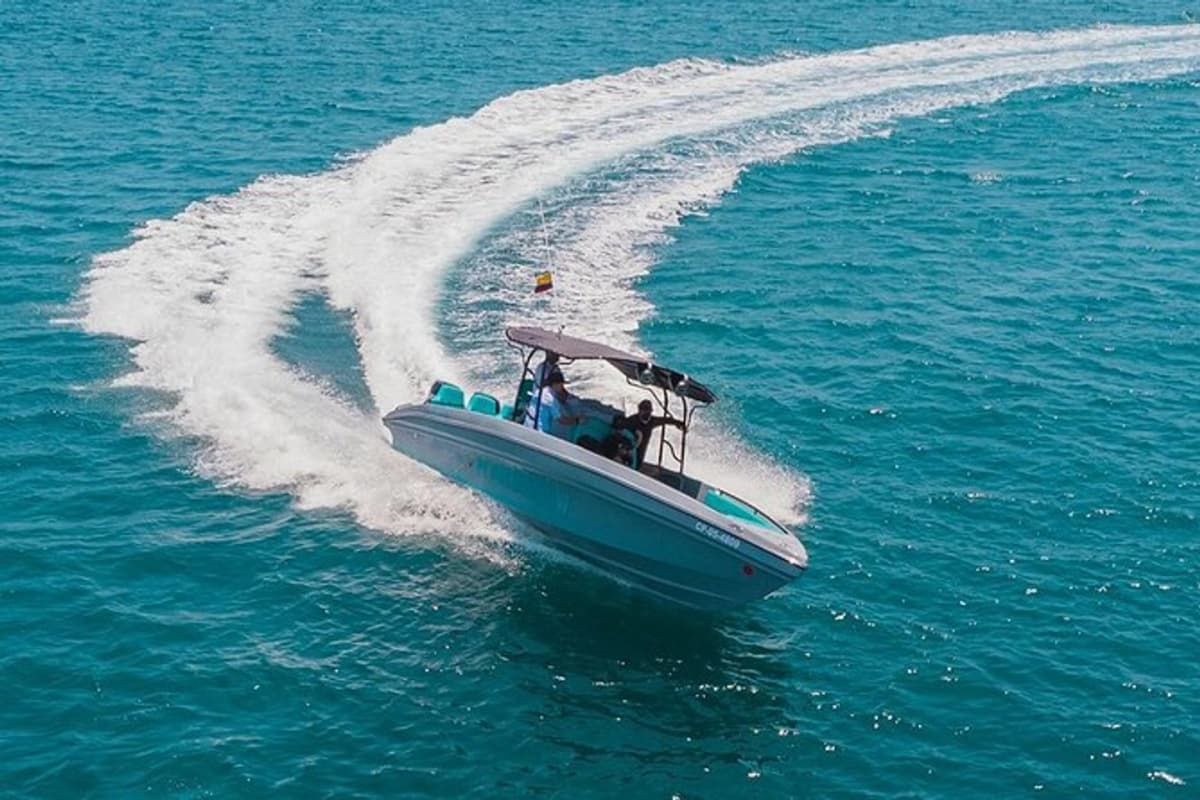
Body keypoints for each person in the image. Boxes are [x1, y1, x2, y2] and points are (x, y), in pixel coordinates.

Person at [615, 399, 684, 467]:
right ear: (639, 410)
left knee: (638, 465)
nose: (647, 413)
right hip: (628, 452)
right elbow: (620, 429)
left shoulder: (652, 421)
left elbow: (665, 420)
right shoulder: (632, 420)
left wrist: (678, 423)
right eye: (644, 410)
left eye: (648, 411)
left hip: (640, 456)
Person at [524, 368, 582, 437]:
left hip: (527, 427)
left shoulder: (539, 391)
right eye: (561, 385)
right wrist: (577, 420)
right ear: (555, 384)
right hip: (538, 432)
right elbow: (561, 420)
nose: (562, 387)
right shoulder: (551, 399)